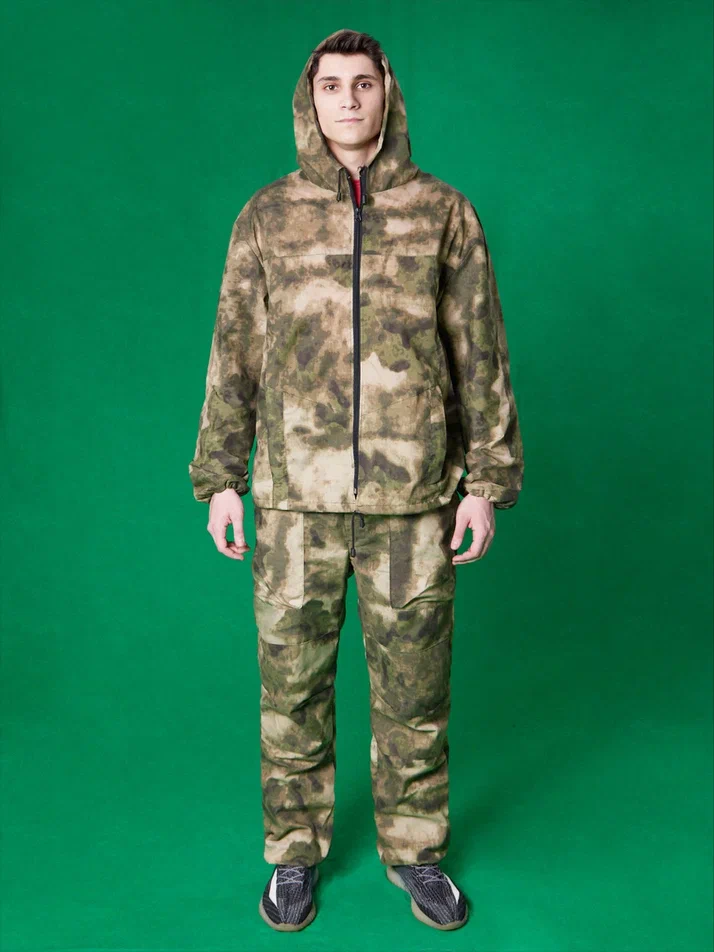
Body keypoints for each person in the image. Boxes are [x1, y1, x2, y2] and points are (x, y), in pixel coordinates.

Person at [188, 27, 524, 934]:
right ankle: (294, 853)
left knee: (415, 692)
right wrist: (221, 476)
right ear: (311, 99)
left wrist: (486, 481)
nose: (347, 99)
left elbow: (480, 352)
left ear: (388, 93)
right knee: (291, 689)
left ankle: (415, 850)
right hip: (293, 501)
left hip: (413, 502)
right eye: (331, 84)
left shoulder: (444, 214)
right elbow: (234, 352)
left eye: (362, 83)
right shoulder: (268, 217)